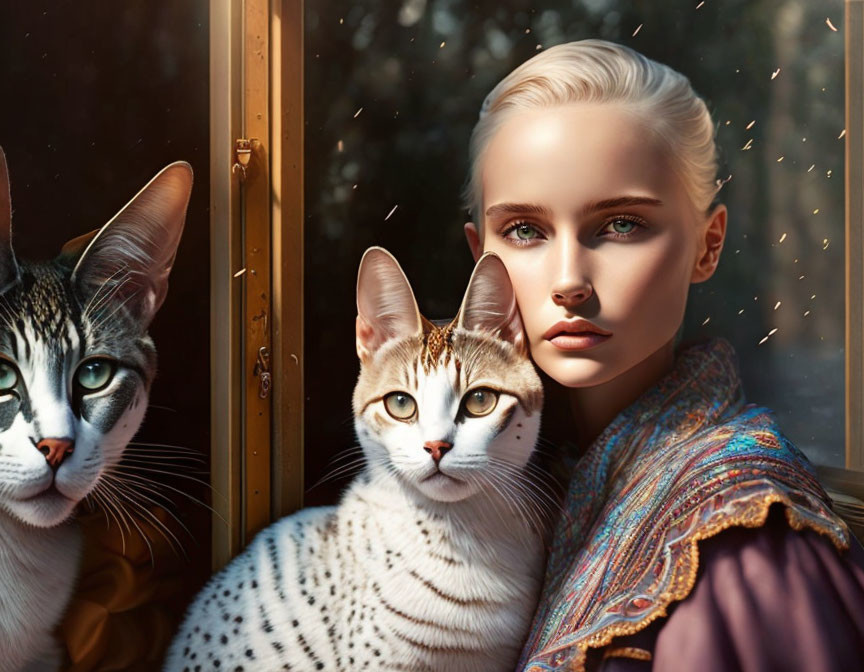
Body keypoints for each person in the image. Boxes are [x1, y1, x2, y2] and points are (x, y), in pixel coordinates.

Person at [461, 39, 864, 671]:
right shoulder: (539, 488)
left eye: (620, 225)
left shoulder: (745, 543)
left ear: (707, 245)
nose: (569, 279)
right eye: (524, 231)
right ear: (477, 258)